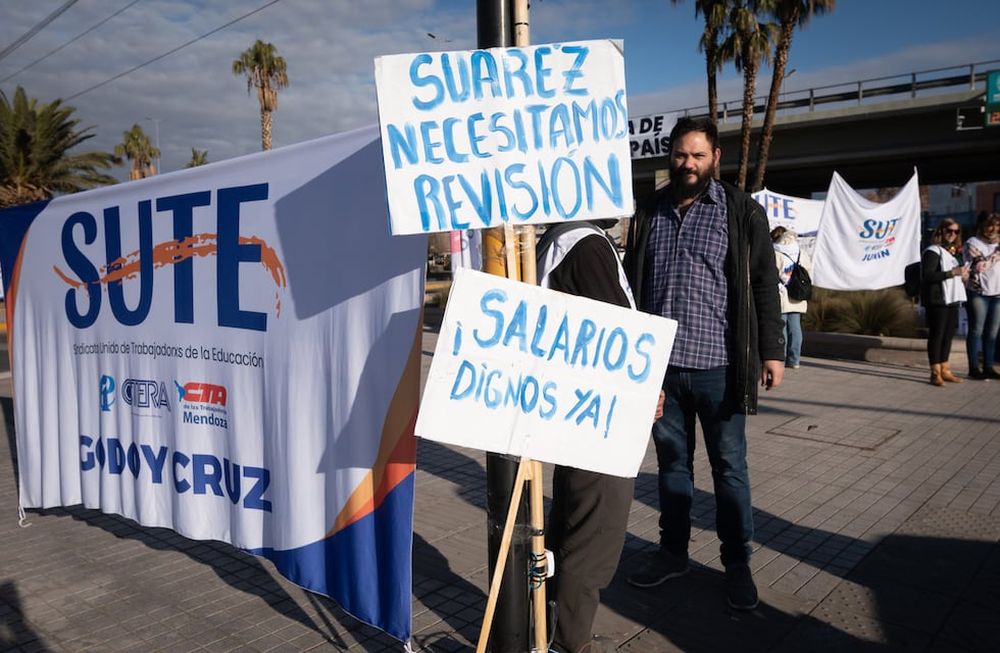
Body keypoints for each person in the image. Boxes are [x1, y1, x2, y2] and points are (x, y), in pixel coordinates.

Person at [622, 117, 785, 611]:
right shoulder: (650, 210)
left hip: (720, 368)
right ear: (669, 158)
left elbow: (763, 283)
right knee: (672, 466)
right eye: (679, 154)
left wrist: (772, 350)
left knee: (729, 469)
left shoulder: (740, 211)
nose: (687, 163)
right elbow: (631, 281)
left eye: (697, 155)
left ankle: (737, 563)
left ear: (716, 158)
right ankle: (673, 553)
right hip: (662, 373)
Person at [536, 219, 664, 653]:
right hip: (600, 417)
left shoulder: (563, 239)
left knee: (574, 523)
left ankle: (552, 629)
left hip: (581, 411)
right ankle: (571, 642)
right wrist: (646, 388)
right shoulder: (584, 243)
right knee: (595, 534)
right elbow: (618, 335)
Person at [921, 219, 969, 385]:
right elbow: (927, 276)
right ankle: (935, 372)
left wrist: (963, 275)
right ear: (941, 231)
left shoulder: (954, 252)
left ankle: (945, 369)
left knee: (948, 336)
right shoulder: (933, 251)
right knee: (937, 335)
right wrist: (951, 273)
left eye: (956, 231)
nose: (952, 234)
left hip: (953, 298)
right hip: (938, 299)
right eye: (949, 230)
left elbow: (956, 274)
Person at [963, 212, 1000, 379]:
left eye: (997, 225)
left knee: (992, 333)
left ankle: (988, 367)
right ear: (981, 225)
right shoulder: (972, 242)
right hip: (979, 292)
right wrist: (998, 254)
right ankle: (973, 367)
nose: (993, 229)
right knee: (976, 330)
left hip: (998, 293)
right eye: (990, 225)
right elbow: (980, 267)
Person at [770, 227, 811, 369]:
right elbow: (808, 271)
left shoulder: (775, 252)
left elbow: (770, 274)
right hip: (798, 294)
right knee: (795, 327)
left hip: (781, 295)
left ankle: (781, 357)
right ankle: (795, 360)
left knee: (781, 327)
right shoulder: (801, 252)